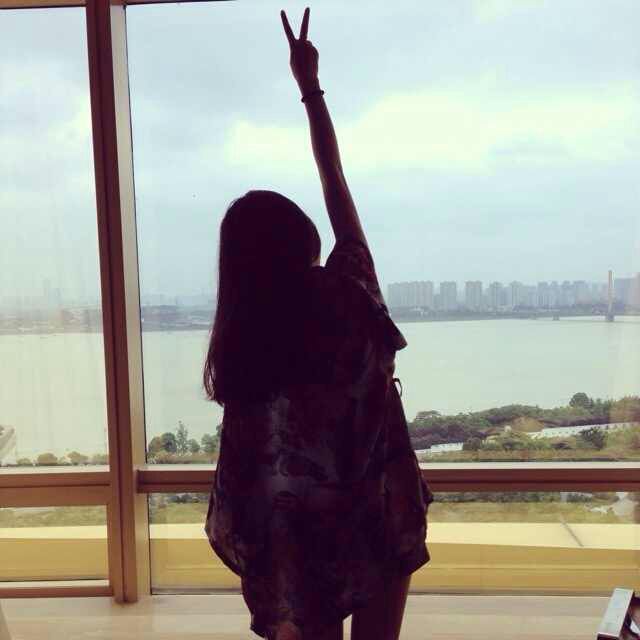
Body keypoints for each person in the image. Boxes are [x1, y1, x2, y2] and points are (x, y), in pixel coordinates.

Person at [204, 8, 434, 640]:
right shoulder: (349, 299)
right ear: (305, 242)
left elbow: (245, 470)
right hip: (375, 511)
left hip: (289, 526)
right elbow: (337, 186)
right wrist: (310, 89)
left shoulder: (242, 344)